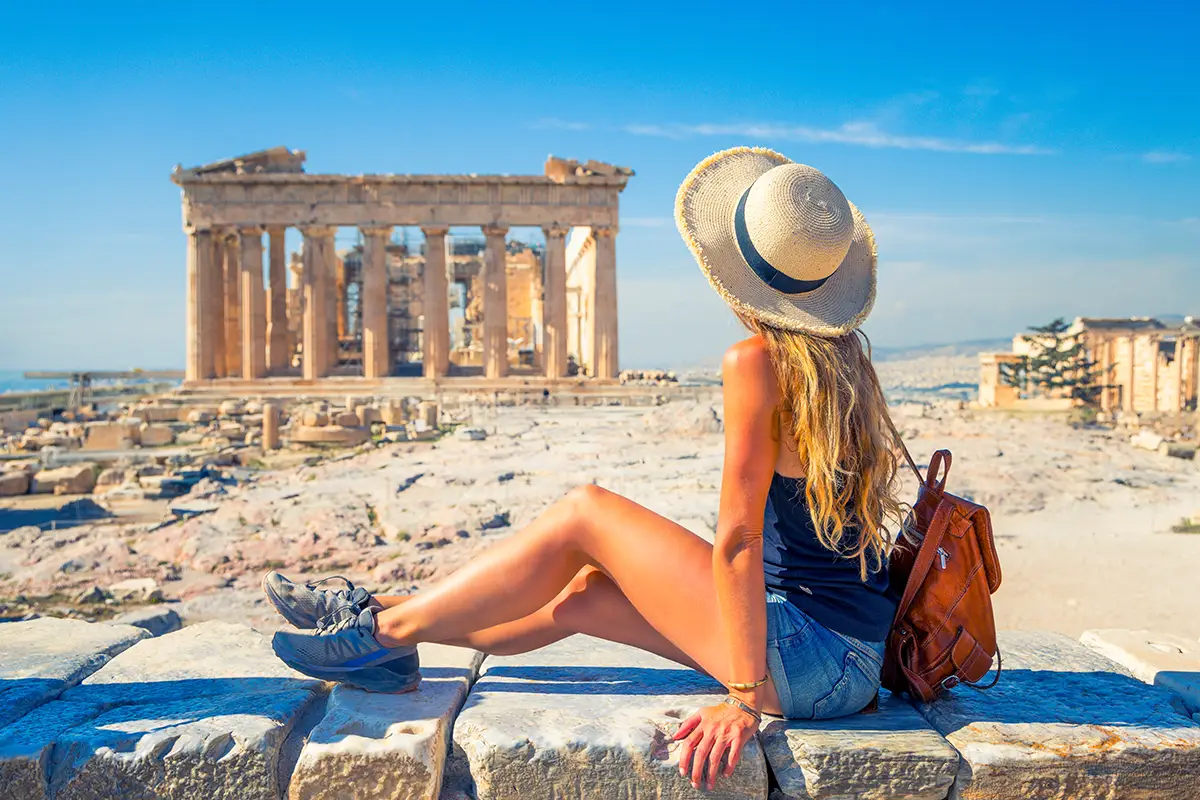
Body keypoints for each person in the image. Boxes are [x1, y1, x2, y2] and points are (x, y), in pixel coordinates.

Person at [266, 146, 904, 792]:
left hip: (805, 657)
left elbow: (738, 541)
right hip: (848, 660)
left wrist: (742, 701)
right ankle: (385, 624)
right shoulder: (847, 360)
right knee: (582, 598)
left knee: (586, 512)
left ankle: (379, 633)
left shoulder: (757, 362)